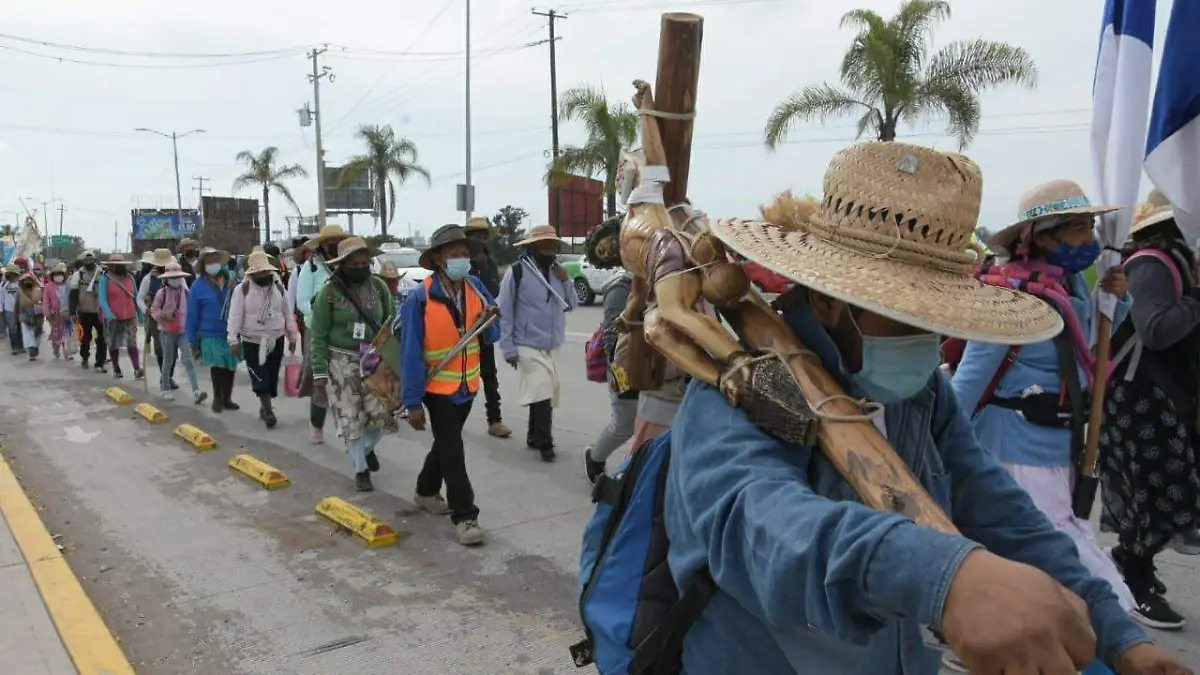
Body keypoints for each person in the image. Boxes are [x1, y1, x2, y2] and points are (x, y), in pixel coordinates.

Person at [663, 142, 1191, 675]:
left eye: (938, 315)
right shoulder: (735, 386)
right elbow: (759, 526)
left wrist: (1122, 640)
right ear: (826, 300)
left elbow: (1003, 514)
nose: (931, 337)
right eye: (907, 315)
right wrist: (946, 576)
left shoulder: (921, 395)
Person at [951, 181, 1136, 667]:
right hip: (1014, 454)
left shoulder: (1071, 287)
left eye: (1090, 226)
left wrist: (1116, 305)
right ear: (1043, 236)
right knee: (1054, 564)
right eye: (1078, 228)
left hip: (1060, 450)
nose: (1089, 237)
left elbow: (1085, 359)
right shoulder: (1010, 297)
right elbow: (966, 387)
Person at [1101, 196, 1200, 631]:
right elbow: (1155, 331)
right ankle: (1131, 572)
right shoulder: (1152, 264)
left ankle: (1132, 561)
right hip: (1142, 395)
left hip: (1162, 393)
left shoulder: (1175, 259)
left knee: (1167, 488)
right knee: (1157, 491)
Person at [401, 225, 499, 545]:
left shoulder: (475, 287)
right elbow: (411, 352)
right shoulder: (421, 297)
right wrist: (413, 402)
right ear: (439, 259)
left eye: (465, 254)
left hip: (467, 385)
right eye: (455, 254)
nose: (463, 259)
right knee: (453, 450)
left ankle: (426, 491)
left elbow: (491, 336)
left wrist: (490, 318)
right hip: (436, 388)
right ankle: (466, 516)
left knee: (445, 444)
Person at [310, 236, 397, 492]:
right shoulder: (328, 293)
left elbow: (388, 325)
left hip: (372, 355)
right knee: (351, 417)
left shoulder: (379, 287)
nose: (360, 266)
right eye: (354, 263)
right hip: (340, 360)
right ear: (342, 265)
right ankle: (360, 470)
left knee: (382, 412)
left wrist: (393, 359)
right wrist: (318, 372)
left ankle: (366, 450)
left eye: (364, 262)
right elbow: (318, 334)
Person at [497, 224, 577, 462]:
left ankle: (533, 435)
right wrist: (508, 347)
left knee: (545, 390)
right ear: (532, 247)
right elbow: (505, 311)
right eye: (543, 245)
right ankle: (545, 442)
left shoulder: (557, 272)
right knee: (542, 388)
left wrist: (567, 280)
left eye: (552, 245)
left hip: (551, 344)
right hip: (525, 342)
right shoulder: (517, 272)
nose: (549, 249)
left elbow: (571, 304)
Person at [228, 251, 299, 428]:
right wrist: (233, 340)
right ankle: (268, 410)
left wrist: (292, 335)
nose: (262, 275)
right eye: (258, 272)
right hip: (252, 340)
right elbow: (235, 315)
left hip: (276, 338)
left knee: (272, 376)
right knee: (259, 376)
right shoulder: (242, 290)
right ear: (251, 273)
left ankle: (265, 403)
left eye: (264, 271)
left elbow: (287, 312)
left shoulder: (279, 288)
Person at [583, 268, 638, 483]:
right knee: (624, 425)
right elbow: (612, 335)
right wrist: (620, 377)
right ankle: (595, 457)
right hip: (623, 367)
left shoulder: (660, 280)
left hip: (655, 367)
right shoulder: (621, 286)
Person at [297, 225, 349, 444]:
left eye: (339, 241)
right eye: (332, 241)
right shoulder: (311, 268)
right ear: (323, 245)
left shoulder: (347, 265)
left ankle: (349, 428)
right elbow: (302, 301)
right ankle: (316, 425)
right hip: (318, 330)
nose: (336, 245)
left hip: (345, 330)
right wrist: (321, 316)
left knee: (347, 380)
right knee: (319, 379)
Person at [465, 216, 512, 439]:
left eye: (483, 236)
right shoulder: (460, 263)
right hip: (461, 332)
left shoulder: (490, 263)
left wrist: (484, 266)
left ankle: (495, 420)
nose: (480, 240)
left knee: (490, 376)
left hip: (482, 330)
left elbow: (494, 292)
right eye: (475, 236)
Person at [186, 247, 241, 412]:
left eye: (215, 260)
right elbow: (192, 314)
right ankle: (217, 397)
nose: (213, 264)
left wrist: (236, 287)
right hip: (209, 332)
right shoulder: (197, 286)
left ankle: (227, 398)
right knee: (217, 364)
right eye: (209, 261)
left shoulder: (230, 280)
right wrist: (192, 339)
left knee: (230, 366)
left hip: (231, 330)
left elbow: (242, 300)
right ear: (203, 264)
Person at [151, 263, 206, 404]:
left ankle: (196, 391)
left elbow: (192, 311)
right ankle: (165, 388)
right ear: (167, 279)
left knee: (188, 360)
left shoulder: (186, 292)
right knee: (168, 360)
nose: (175, 279)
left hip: (182, 331)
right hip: (167, 332)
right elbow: (154, 311)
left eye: (177, 276)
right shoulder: (161, 293)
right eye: (172, 277)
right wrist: (164, 315)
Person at [96, 253, 144, 379]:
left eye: (120, 264)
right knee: (114, 343)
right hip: (114, 317)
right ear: (111, 266)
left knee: (132, 342)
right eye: (114, 264)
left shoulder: (130, 278)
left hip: (130, 314)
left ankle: (137, 368)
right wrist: (108, 313)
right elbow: (102, 299)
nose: (117, 266)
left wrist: (140, 313)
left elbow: (136, 296)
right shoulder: (105, 279)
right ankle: (116, 368)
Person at [138, 249, 176, 388]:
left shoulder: (176, 276)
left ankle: (168, 375)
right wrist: (145, 309)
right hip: (156, 319)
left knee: (172, 348)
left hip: (173, 318)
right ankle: (165, 377)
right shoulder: (149, 278)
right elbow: (140, 297)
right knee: (161, 348)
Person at [68, 251, 108, 372]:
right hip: (84, 311)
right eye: (87, 260)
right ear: (83, 261)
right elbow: (73, 295)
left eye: (92, 260)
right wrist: (72, 312)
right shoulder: (78, 275)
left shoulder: (102, 273)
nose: (89, 262)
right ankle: (85, 357)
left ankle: (100, 362)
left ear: (95, 261)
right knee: (84, 337)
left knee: (102, 338)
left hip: (100, 312)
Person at [42, 263, 71, 360]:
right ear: (52, 276)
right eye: (55, 275)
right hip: (54, 315)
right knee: (56, 334)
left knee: (67, 333)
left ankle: (67, 351)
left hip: (67, 314)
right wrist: (47, 312)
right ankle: (56, 349)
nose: (58, 277)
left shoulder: (68, 286)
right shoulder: (48, 287)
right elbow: (45, 301)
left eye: (60, 274)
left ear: (64, 275)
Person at [16, 271, 43, 360]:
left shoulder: (38, 291)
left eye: (29, 280)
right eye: (25, 281)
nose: (27, 282)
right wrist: (17, 316)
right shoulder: (19, 293)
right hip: (25, 316)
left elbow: (44, 303)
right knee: (27, 335)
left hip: (37, 317)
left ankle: (35, 347)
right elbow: (16, 306)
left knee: (37, 335)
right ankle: (31, 352)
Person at [2, 267, 21, 354]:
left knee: (21, 328)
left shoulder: (21, 284)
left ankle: (21, 346)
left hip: (20, 309)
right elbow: (1, 297)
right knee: (12, 329)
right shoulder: (3, 285)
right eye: (11, 274)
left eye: (15, 274)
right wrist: (1, 309)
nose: (13, 276)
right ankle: (15, 347)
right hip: (9, 310)